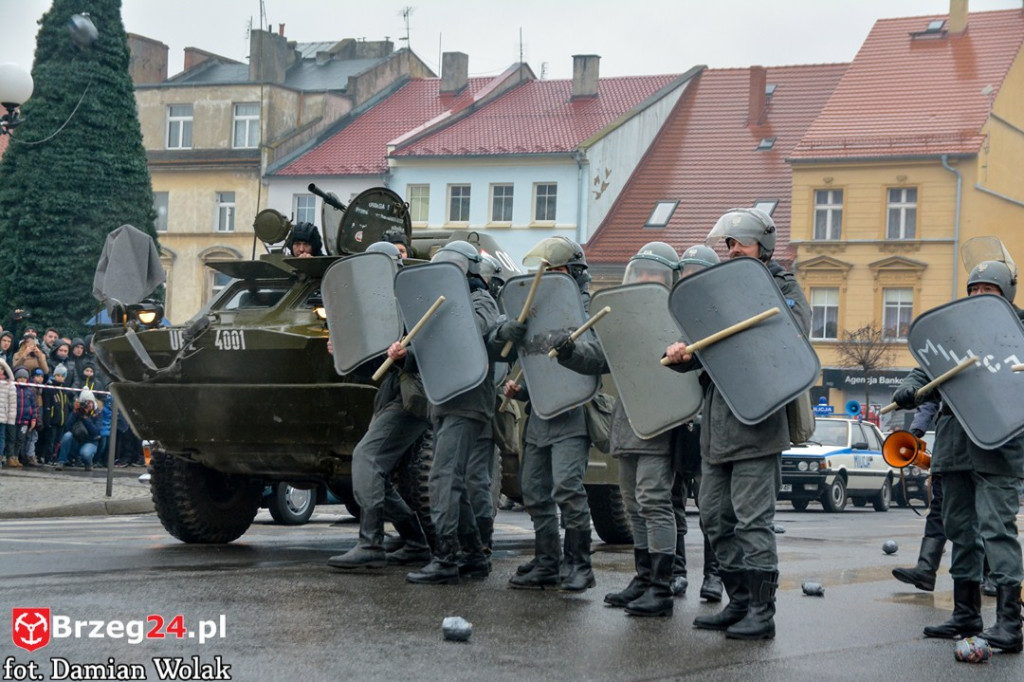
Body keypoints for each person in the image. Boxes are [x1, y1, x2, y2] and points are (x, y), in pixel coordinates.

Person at [664, 208, 810, 640]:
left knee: (752, 520)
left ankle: (762, 613)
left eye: (738, 244)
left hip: (758, 421)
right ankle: (740, 601)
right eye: (727, 246)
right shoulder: (720, 289)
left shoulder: (781, 286)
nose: (731, 252)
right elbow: (704, 341)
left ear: (762, 247)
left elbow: (794, 334)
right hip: (718, 421)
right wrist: (683, 354)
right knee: (713, 516)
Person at [890, 259, 1023, 653]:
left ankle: (1010, 622)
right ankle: (966, 612)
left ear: (1005, 294)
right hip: (955, 443)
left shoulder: (1019, 329)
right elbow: (927, 367)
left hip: (998, 445)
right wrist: (909, 389)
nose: (979, 296)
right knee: (959, 528)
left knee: (997, 529)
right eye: (974, 290)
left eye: (989, 290)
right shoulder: (955, 331)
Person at [554, 242, 681, 616]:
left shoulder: (677, 317)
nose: (644, 279)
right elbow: (600, 358)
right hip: (628, 418)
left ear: (667, 279)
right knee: (633, 504)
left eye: (652, 274)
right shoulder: (627, 318)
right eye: (640, 272)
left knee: (654, 500)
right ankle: (644, 578)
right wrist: (570, 352)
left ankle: (661, 585)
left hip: (662, 417)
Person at [327, 242, 433, 572]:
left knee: (367, 458)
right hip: (392, 394)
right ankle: (414, 541)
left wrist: (407, 355)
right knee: (375, 472)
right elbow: (377, 369)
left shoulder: (414, 299)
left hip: (412, 397)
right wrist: (343, 352)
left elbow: (433, 348)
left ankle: (370, 544)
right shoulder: (381, 307)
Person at [499, 236, 597, 593]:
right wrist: (521, 390)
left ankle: (580, 565)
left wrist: (570, 350)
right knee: (533, 489)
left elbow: (598, 359)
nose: (545, 278)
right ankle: (547, 562)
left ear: (571, 272)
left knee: (567, 488)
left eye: (552, 271)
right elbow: (538, 362)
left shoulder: (584, 307)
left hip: (573, 411)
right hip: (541, 413)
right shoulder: (537, 307)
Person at [405, 241, 500, 585]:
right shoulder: (437, 303)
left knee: (442, 477)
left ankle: (445, 557)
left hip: (468, 400)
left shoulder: (480, 299)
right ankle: (473, 555)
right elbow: (426, 350)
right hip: (443, 398)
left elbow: (476, 331)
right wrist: (405, 351)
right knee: (451, 480)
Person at [54, 390, 102, 472]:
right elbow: (67, 427)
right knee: (67, 435)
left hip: (90, 441)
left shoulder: (97, 413)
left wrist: (85, 418)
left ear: (93, 402)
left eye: (89, 402)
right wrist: (74, 412)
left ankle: (88, 462)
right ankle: (61, 461)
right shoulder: (77, 412)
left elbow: (95, 432)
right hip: (76, 440)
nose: (87, 405)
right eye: (85, 402)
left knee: (85, 454)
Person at [9, 367, 38, 468]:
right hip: (13, 419)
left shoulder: (30, 391)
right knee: (11, 439)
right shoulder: (13, 389)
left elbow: (34, 407)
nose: (22, 380)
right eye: (20, 377)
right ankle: (10, 457)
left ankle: (16, 457)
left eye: (24, 378)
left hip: (25, 420)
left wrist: (33, 419)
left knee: (20, 439)